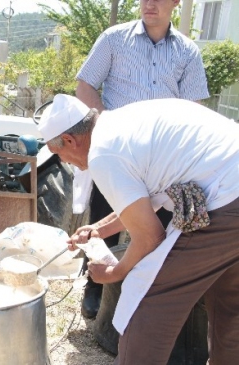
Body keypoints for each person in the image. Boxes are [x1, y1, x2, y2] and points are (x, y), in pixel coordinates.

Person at [38, 93, 239, 364]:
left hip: (227, 199)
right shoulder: (123, 122)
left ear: (71, 140)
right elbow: (143, 204)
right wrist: (98, 229)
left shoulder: (103, 153)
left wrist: (114, 272)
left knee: (147, 297)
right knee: (229, 302)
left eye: (58, 153)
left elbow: (150, 236)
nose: (65, 162)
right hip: (229, 184)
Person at [74, 0, 209, 318]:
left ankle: (142, 296)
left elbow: (194, 110)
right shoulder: (113, 39)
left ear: (176, 3)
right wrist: (107, 128)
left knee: (156, 227)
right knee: (105, 215)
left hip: (163, 159)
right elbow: (85, 86)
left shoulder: (187, 52)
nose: (150, 4)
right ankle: (95, 288)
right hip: (118, 153)